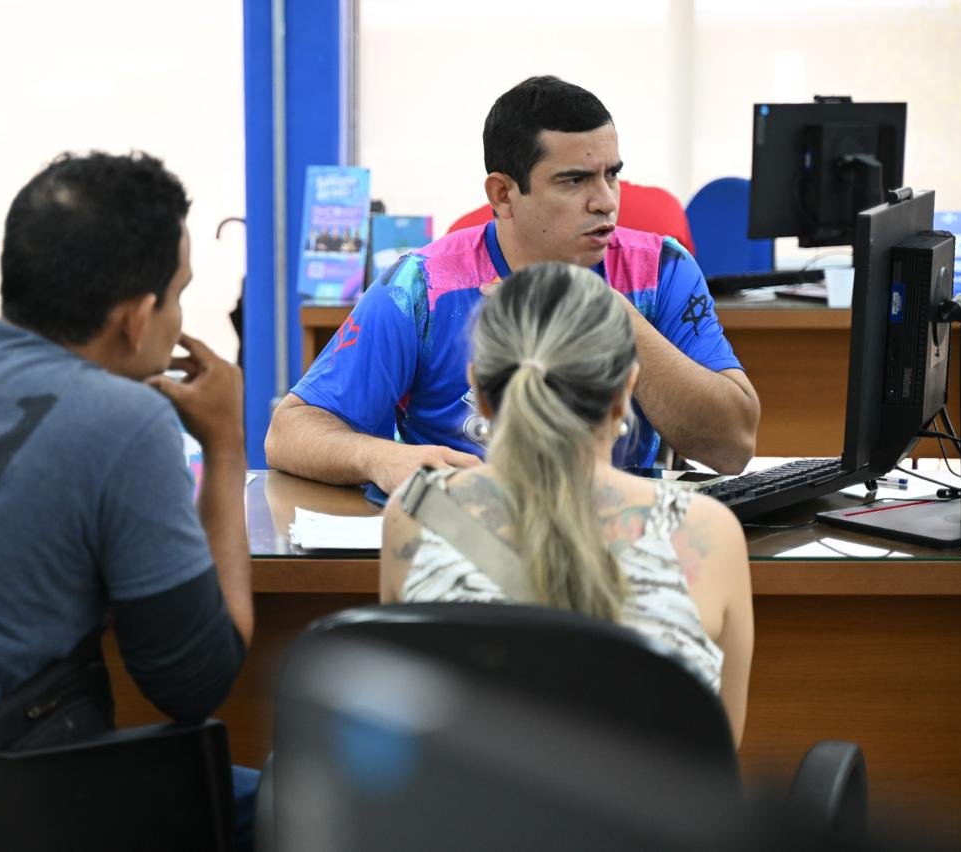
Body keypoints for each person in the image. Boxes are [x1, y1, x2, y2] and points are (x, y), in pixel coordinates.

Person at [0, 151, 257, 845]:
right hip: (3, 799)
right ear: (136, 318)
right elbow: (196, 682)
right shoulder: (127, 422)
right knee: (287, 800)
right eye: (179, 293)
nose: (180, 318)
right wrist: (227, 447)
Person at [266, 76, 760, 497]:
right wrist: (379, 458)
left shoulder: (663, 270)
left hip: (626, 533)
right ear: (503, 194)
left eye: (612, 175)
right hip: (474, 538)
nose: (606, 201)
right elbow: (289, 431)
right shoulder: (422, 287)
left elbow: (733, 446)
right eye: (574, 181)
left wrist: (612, 316)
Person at [379, 262, 754, 742]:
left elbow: (408, 734)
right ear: (625, 392)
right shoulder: (708, 533)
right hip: (646, 819)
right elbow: (722, 752)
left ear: (480, 390)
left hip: (466, 817)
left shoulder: (415, 516)